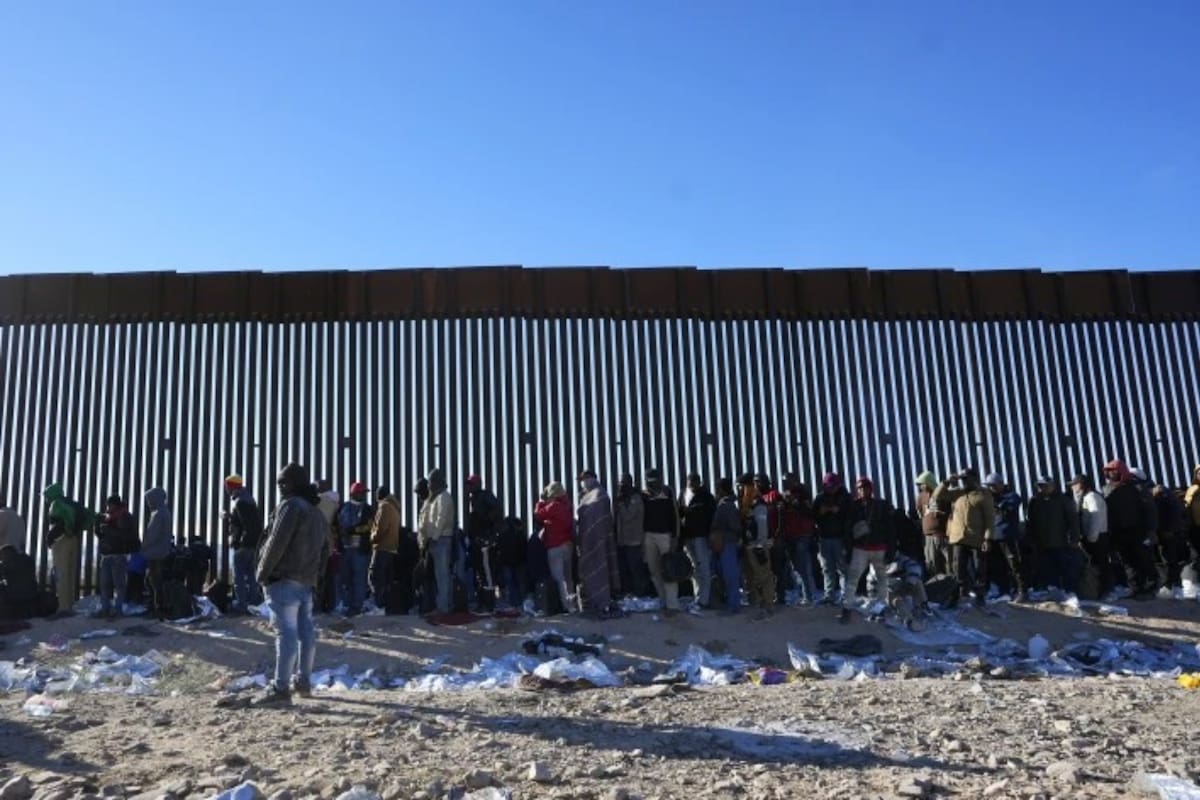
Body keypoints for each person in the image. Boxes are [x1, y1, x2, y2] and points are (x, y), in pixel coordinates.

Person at [252, 462, 329, 708]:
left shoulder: (290, 506)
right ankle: (303, 682)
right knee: (306, 634)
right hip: (306, 583)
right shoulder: (317, 513)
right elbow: (324, 551)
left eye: (284, 481)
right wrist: (317, 579)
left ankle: (280, 688)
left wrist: (262, 573)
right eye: (279, 482)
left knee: (286, 634)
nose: (280, 486)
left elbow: (277, 542)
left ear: (296, 482)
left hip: (283, 580)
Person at [934, 469, 994, 607]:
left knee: (979, 568)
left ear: (975, 478)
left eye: (967, 478)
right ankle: (956, 596)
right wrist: (947, 482)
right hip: (958, 538)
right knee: (957, 568)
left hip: (976, 538)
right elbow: (937, 495)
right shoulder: (957, 493)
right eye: (963, 479)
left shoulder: (983, 494)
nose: (964, 481)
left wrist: (987, 538)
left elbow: (989, 518)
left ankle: (979, 596)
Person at [1103, 459, 1158, 596]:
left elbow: (1150, 509)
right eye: (1109, 471)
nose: (1111, 473)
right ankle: (1135, 587)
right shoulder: (1107, 489)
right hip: (1118, 532)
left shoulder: (1137, 487)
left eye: (1114, 471)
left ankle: (1151, 586)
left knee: (1142, 558)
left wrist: (1151, 530)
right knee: (1127, 561)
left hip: (1138, 530)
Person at [842, 477, 895, 614]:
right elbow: (847, 529)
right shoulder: (853, 507)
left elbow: (890, 528)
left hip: (879, 547)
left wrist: (891, 549)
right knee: (854, 577)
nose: (862, 490)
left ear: (870, 489)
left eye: (865, 487)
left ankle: (881, 606)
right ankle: (850, 605)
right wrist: (848, 549)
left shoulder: (881, 505)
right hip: (860, 548)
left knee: (882, 579)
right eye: (859, 488)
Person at [43, 483, 94, 614]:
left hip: (61, 540)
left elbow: (66, 517)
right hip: (73, 540)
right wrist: (79, 528)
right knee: (70, 573)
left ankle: (63, 608)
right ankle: (69, 605)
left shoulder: (56, 503)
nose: (46, 499)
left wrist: (68, 529)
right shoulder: (73, 503)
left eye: (47, 496)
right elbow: (89, 515)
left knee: (61, 574)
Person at [1028, 476, 1080, 596]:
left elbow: (1073, 521)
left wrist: (1074, 538)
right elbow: (1031, 521)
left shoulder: (1064, 500)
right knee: (1046, 568)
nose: (1042, 488)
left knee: (1065, 567)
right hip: (1041, 542)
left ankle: (1069, 592)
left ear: (1053, 486)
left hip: (1061, 542)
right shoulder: (1035, 500)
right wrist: (1031, 539)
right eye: (1040, 486)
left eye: (1045, 485)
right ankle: (1051, 590)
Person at [576, 470, 619, 615]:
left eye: (585, 479)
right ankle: (590, 602)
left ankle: (602, 600)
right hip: (586, 541)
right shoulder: (583, 497)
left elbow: (602, 517)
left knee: (600, 568)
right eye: (582, 480)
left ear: (593, 478)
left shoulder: (601, 494)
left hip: (599, 539)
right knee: (588, 571)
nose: (583, 482)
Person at [775, 473, 818, 605]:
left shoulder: (803, 493)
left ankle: (809, 596)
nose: (786, 483)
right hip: (790, 534)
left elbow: (810, 512)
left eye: (788, 481)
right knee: (796, 567)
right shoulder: (785, 495)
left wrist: (796, 503)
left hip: (802, 534)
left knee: (804, 566)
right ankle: (801, 594)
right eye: (784, 481)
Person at [642, 469, 681, 613]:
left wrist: (675, 537)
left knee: (669, 571)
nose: (652, 483)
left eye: (655, 480)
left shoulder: (668, 492)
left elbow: (675, 516)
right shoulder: (643, 495)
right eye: (649, 481)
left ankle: (672, 605)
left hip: (665, 536)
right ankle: (663, 602)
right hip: (648, 536)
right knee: (654, 571)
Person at [223, 475, 264, 612]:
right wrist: (230, 516)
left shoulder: (240, 502)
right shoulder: (248, 500)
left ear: (231, 486)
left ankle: (241, 605)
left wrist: (240, 543)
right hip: (253, 544)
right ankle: (253, 604)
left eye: (227, 486)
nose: (226, 489)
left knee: (239, 576)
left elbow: (248, 525)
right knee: (251, 575)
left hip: (244, 545)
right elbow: (246, 521)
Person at [417, 469, 455, 614]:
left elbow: (441, 519)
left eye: (431, 481)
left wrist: (433, 537)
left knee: (442, 575)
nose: (429, 485)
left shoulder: (444, 497)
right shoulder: (434, 499)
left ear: (437, 482)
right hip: (434, 540)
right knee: (438, 576)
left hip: (441, 540)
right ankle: (442, 605)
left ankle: (444, 607)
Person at [534, 481, 576, 613]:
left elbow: (538, 515)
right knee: (568, 578)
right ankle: (573, 605)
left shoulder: (554, 506)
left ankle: (565, 606)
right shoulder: (567, 505)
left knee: (559, 579)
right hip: (567, 545)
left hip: (555, 545)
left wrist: (541, 502)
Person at [95, 494, 138, 618]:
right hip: (106, 555)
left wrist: (107, 530)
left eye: (110, 504)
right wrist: (98, 529)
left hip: (118, 555)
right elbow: (105, 535)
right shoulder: (109, 517)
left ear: (115, 504)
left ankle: (118, 609)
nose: (108, 507)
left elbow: (125, 535)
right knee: (105, 584)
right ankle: (105, 609)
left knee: (119, 584)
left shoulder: (124, 517)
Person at [985, 473, 1027, 601]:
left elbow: (1010, 505)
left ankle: (1022, 591)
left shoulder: (1012, 496)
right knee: (998, 566)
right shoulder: (990, 498)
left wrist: (996, 502)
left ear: (1001, 484)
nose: (991, 488)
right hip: (994, 537)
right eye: (989, 486)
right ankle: (1004, 591)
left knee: (1014, 565)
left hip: (1008, 536)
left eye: (993, 485)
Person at [1071, 474, 1113, 599]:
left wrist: (1092, 537)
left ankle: (1107, 590)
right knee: (1096, 564)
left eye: (1074, 484)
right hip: (1093, 536)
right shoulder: (1085, 497)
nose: (1072, 487)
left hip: (1097, 537)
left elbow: (1096, 517)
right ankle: (1099, 590)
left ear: (1081, 484)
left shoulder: (1092, 497)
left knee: (1100, 564)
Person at [739, 473, 775, 619]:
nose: (740, 489)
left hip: (757, 546)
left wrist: (760, 545)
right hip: (749, 545)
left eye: (742, 486)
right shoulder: (746, 503)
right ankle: (757, 602)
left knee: (764, 576)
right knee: (752, 576)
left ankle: (768, 605)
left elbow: (762, 526)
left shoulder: (758, 503)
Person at [679, 473, 716, 609]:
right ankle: (698, 597)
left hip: (701, 536)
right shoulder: (683, 494)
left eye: (694, 482)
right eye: (690, 482)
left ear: (699, 482)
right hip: (688, 536)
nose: (692, 485)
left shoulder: (706, 497)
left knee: (704, 567)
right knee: (694, 568)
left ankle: (704, 600)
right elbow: (678, 512)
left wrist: (710, 534)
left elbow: (712, 516)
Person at [465, 475, 503, 611]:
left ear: (478, 484)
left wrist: (489, 535)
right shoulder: (475, 499)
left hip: (485, 542)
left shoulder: (485, 496)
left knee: (487, 572)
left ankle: (489, 602)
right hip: (478, 542)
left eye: (471, 484)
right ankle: (482, 602)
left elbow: (497, 513)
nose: (469, 487)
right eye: (468, 484)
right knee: (480, 572)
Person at [813, 472, 851, 604]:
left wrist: (839, 510)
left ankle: (846, 595)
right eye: (828, 486)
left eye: (833, 486)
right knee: (827, 568)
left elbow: (851, 515)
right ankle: (829, 595)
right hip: (824, 537)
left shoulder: (845, 497)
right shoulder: (819, 498)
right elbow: (812, 515)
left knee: (843, 568)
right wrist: (820, 512)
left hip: (840, 538)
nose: (831, 488)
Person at [336, 482, 374, 615]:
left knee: (359, 578)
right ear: (353, 494)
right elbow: (337, 524)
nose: (363, 495)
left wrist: (353, 530)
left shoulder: (368, 509)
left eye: (364, 493)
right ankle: (347, 605)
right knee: (346, 578)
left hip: (360, 550)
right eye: (361, 492)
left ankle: (357, 606)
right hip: (345, 549)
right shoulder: (343, 507)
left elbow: (370, 526)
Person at [709, 478, 743, 614]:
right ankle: (730, 602)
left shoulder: (727, 505)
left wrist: (719, 528)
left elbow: (735, 526)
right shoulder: (724, 504)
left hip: (727, 542)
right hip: (724, 542)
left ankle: (733, 605)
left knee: (730, 575)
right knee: (725, 574)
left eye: (718, 488)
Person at [613, 474, 648, 598]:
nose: (621, 485)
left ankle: (640, 594)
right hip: (622, 541)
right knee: (624, 570)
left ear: (630, 483)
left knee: (635, 569)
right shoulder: (621, 499)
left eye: (623, 483)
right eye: (619, 483)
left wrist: (620, 505)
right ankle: (628, 594)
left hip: (634, 541)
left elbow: (628, 516)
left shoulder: (636, 499)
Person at [141, 488, 173, 619]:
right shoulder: (164, 512)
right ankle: (156, 606)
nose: (148, 503)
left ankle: (158, 608)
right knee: (153, 580)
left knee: (154, 581)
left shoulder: (158, 514)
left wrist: (143, 546)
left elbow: (152, 535)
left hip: (155, 552)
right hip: (161, 550)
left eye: (149, 500)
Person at [369, 486, 401, 612]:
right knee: (386, 579)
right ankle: (385, 606)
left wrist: (372, 537)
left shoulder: (384, 506)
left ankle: (378, 606)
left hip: (382, 547)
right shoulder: (394, 506)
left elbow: (381, 528)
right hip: (391, 548)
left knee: (375, 577)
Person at [914, 471, 950, 577]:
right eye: (919, 485)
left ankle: (952, 583)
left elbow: (950, 511)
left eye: (922, 484)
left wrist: (940, 514)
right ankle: (937, 582)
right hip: (928, 536)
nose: (920, 487)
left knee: (948, 560)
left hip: (942, 534)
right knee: (932, 562)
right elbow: (920, 512)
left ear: (928, 482)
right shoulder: (920, 497)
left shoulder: (942, 494)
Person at [0, 535, 38, 621]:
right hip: (31, 596)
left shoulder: (8, 564)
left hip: (16, 597)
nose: (1, 559)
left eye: (2, 556)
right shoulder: (27, 559)